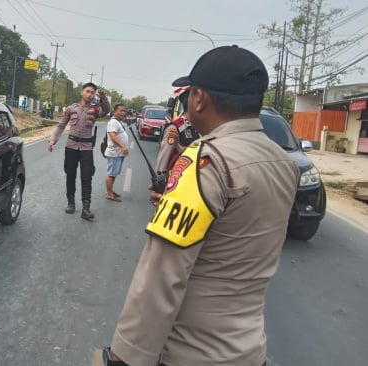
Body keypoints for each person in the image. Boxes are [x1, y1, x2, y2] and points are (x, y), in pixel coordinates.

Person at [102, 46, 300, 366]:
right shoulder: (283, 163)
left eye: (189, 93)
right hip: (249, 350)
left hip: (191, 354)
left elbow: (162, 275)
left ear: (199, 99)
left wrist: (126, 356)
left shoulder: (205, 161)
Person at [48, 82, 110, 220]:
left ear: (94, 95)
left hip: (86, 148)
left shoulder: (96, 110)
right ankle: (71, 203)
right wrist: (53, 140)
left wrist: (104, 100)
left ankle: (86, 208)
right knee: (70, 175)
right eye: (87, 91)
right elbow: (61, 125)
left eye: (92, 92)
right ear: (82, 93)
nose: (89, 94)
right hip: (71, 146)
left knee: (87, 177)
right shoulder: (71, 109)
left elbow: (106, 111)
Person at [156, 87, 199, 174]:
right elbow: (164, 156)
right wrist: (159, 179)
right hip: (178, 177)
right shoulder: (175, 128)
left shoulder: (199, 126)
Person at [104, 104, 129, 202]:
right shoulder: (113, 122)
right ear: (114, 111)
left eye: (124, 111)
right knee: (111, 174)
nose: (123, 113)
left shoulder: (117, 122)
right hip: (114, 153)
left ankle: (110, 190)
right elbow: (113, 136)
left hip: (118, 153)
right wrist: (123, 146)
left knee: (113, 174)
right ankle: (109, 193)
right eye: (120, 111)